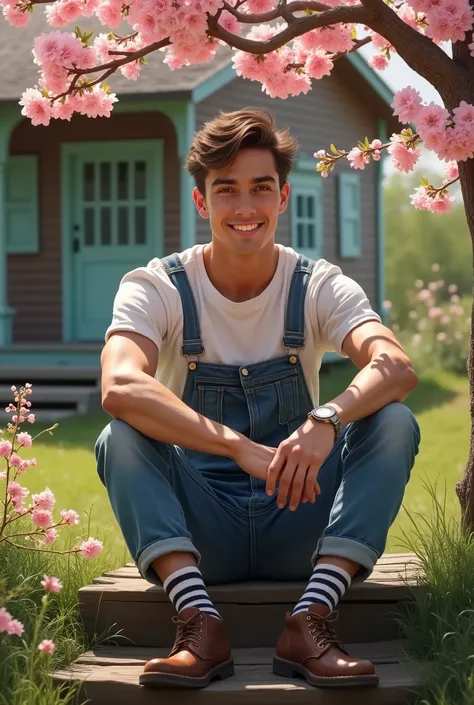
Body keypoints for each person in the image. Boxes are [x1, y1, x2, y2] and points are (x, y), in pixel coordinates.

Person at [95, 107, 420, 690]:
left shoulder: (317, 284)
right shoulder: (157, 285)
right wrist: (240, 447)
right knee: (119, 435)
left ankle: (311, 617)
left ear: (283, 197)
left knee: (393, 421)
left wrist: (328, 416)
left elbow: (394, 365)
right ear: (202, 203)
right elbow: (119, 385)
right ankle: (199, 622)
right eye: (226, 191)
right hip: (198, 531)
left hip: (302, 520)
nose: (245, 208)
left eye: (260, 189)